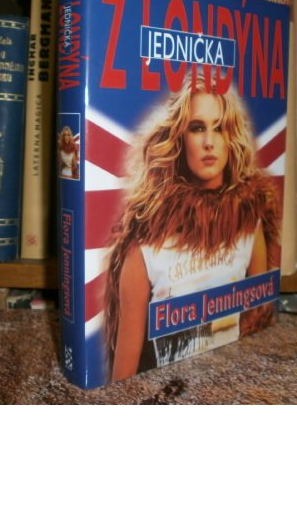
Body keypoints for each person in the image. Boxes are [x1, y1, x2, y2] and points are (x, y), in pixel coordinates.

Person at [102, 73, 281, 382]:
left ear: (231, 138)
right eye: (197, 128)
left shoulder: (249, 221)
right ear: (179, 138)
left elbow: (257, 322)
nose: (209, 142)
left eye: (219, 128)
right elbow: (123, 378)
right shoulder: (145, 245)